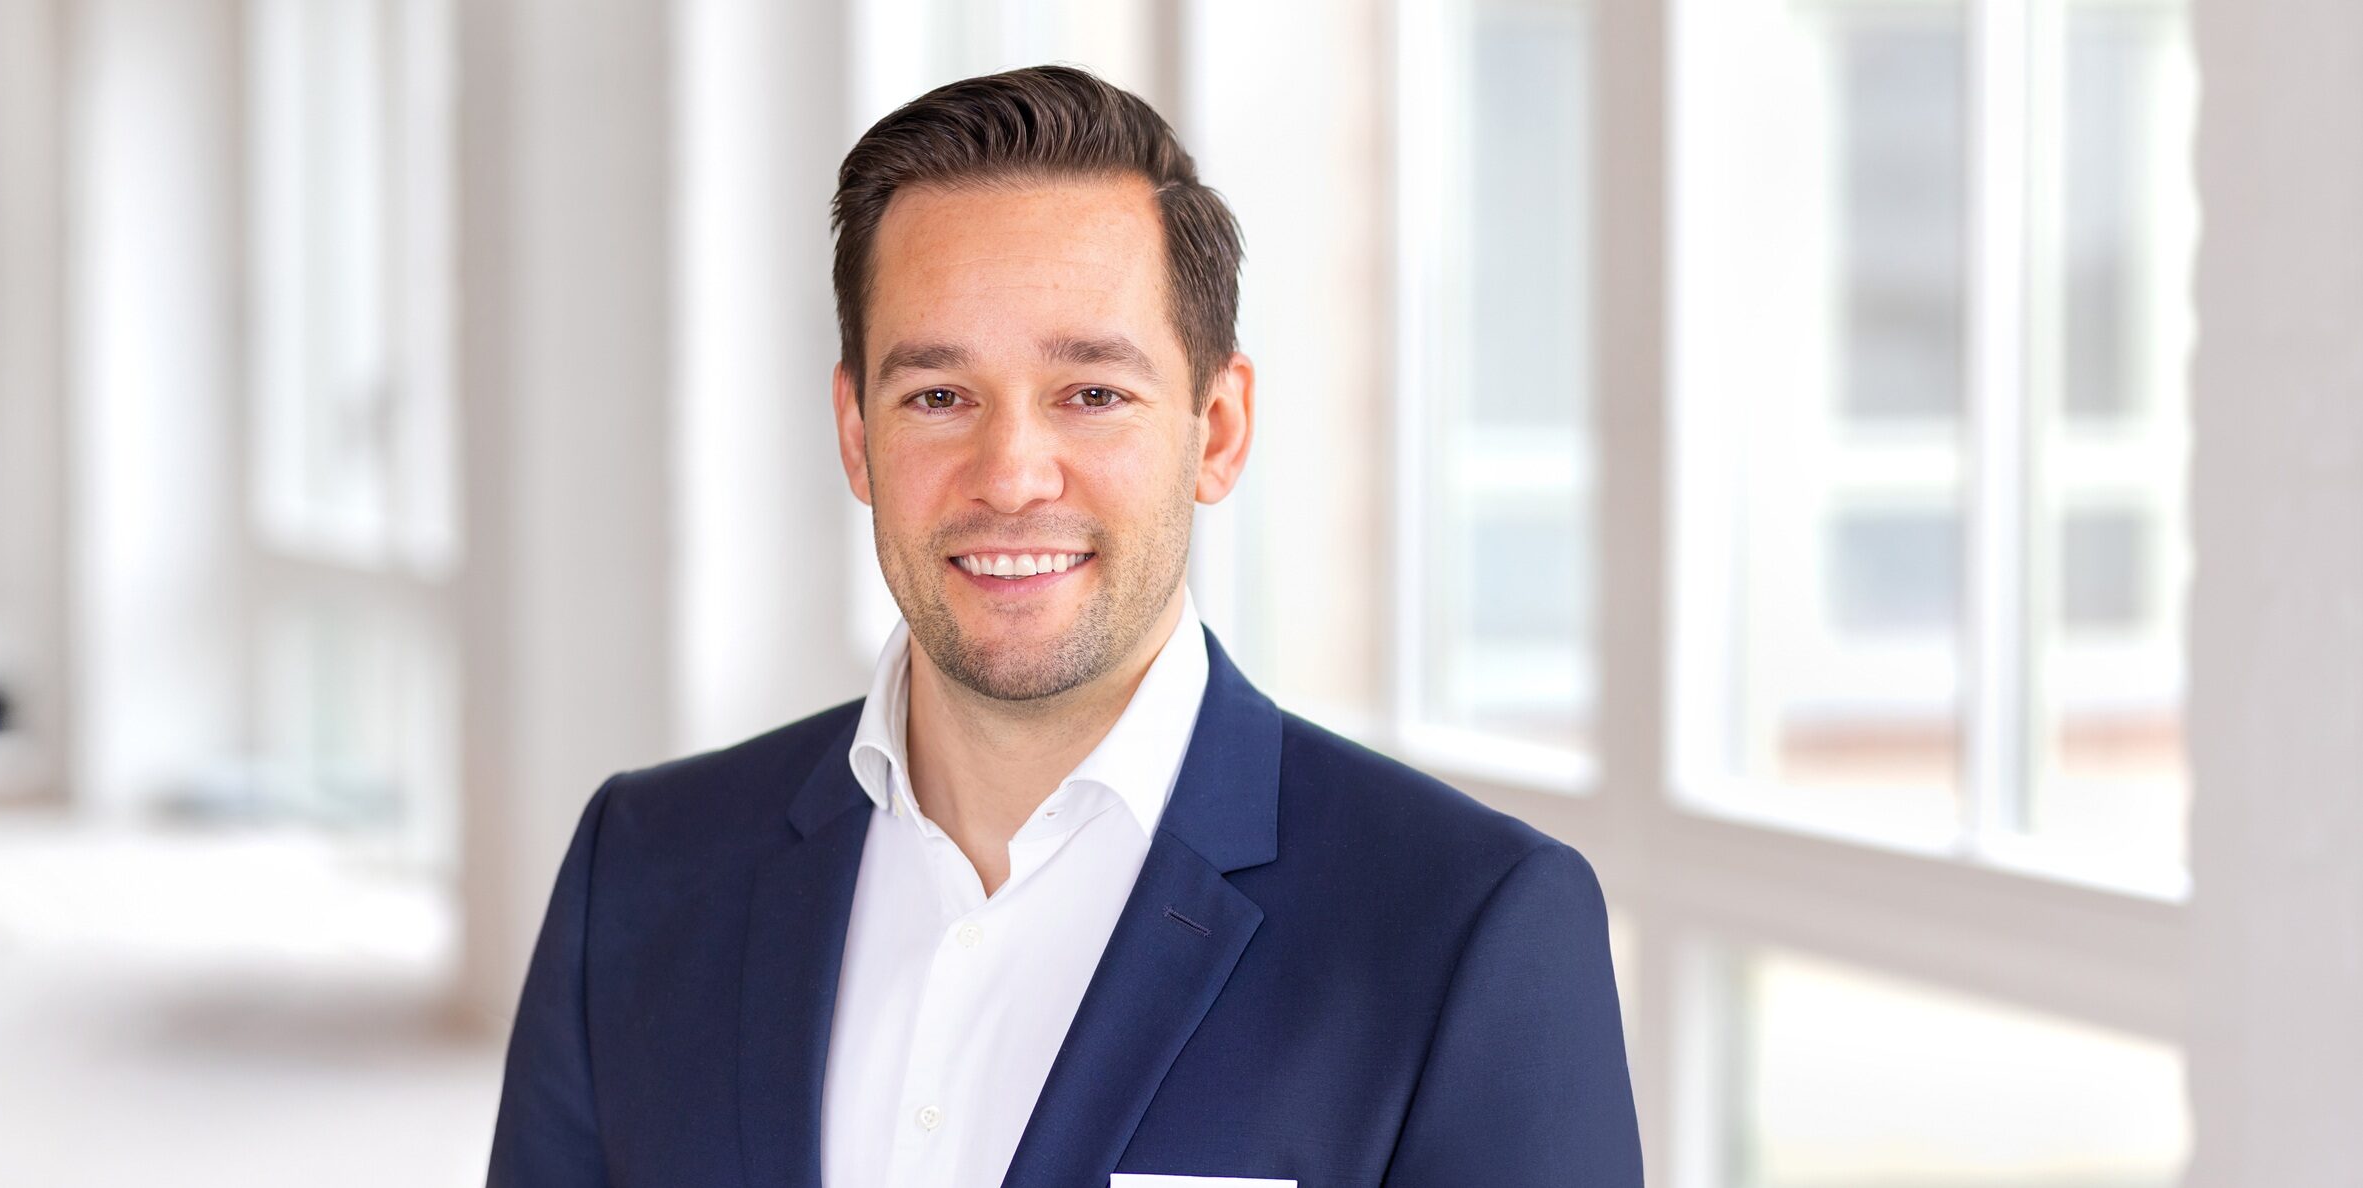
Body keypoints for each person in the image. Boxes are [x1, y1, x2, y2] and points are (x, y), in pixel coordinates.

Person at [485, 65, 1640, 1188]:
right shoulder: (641, 869)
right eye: (939, 396)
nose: (1010, 474)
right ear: (856, 433)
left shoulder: (1467, 930)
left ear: (1218, 430)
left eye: (1093, 394)